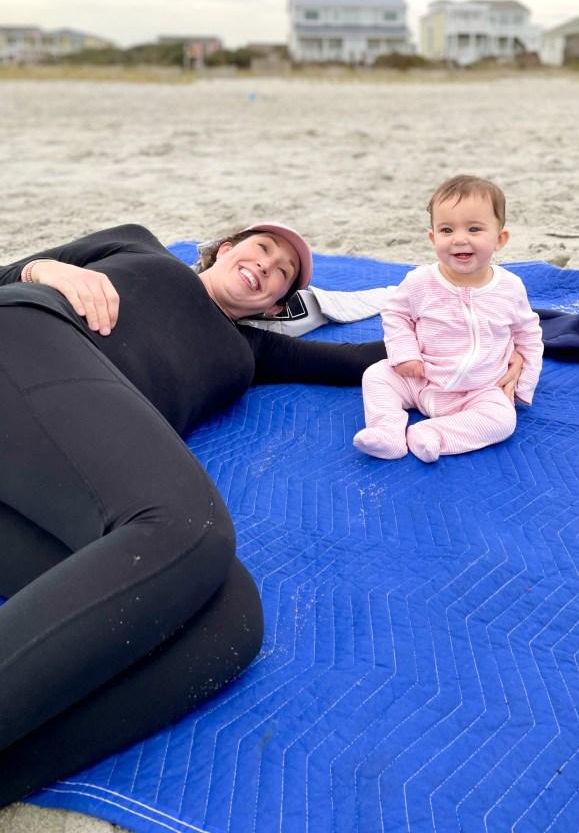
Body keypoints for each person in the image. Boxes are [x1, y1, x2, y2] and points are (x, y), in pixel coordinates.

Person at [0, 219, 525, 805]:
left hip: (38, 467)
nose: (267, 267)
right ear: (225, 250)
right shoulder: (140, 247)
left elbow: (365, 359)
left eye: (283, 275)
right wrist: (41, 269)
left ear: (276, 306)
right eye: (263, 249)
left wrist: (503, 348)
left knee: (229, 623)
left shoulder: (250, 352)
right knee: (185, 528)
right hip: (28, 339)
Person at [354, 175, 543, 463]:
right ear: (433, 238)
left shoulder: (510, 287)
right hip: (421, 378)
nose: (459, 238)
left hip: (478, 389)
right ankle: (387, 431)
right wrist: (404, 353)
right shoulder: (420, 281)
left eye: (474, 229)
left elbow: (528, 335)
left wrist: (523, 385)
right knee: (377, 375)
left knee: (503, 420)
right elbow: (395, 314)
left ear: (500, 239)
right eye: (446, 229)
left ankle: (433, 433)